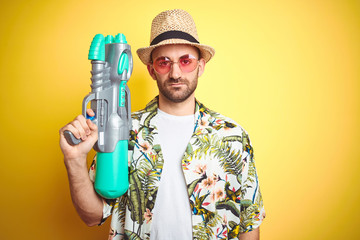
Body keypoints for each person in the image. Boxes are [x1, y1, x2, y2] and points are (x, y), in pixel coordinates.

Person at [59, 9, 265, 240]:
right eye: (164, 62)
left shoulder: (233, 136)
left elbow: (249, 222)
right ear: (151, 70)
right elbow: (93, 216)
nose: (175, 72)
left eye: (186, 61)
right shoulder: (123, 130)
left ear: (201, 66)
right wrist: (74, 160)